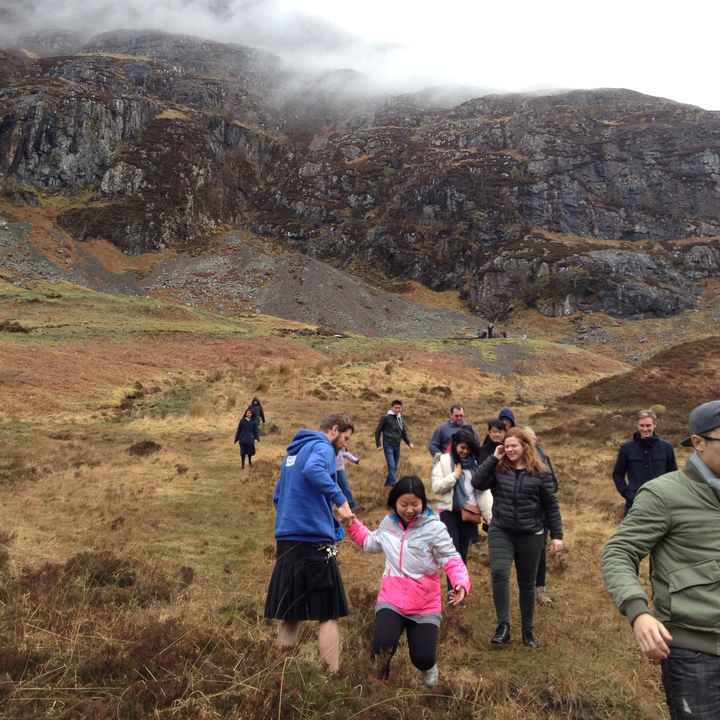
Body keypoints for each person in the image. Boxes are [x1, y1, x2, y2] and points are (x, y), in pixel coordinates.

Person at [602, 400, 720, 720]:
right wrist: (638, 612)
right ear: (699, 442)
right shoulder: (664, 496)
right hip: (696, 655)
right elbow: (618, 552)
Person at [341, 475, 470, 687]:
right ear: (394, 503)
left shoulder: (435, 528)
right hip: (391, 599)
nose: (409, 510)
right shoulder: (388, 523)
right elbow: (370, 542)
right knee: (382, 649)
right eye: (403, 504)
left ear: (423, 503)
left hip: (425, 605)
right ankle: (381, 688)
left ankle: (429, 667)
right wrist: (352, 525)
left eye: (415, 504)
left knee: (422, 658)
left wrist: (460, 583)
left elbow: (451, 559)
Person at [264, 412, 355, 673]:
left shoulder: (292, 454)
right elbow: (314, 470)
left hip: (287, 540)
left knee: (292, 612)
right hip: (314, 543)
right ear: (334, 430)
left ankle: (281, 673)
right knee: (328, 612)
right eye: (345, 438)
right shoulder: (322, 446)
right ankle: (332, 675)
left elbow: (278, 497)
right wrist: (341, 502)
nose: (345, 445)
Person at [472, 427, 563, 648]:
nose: (510, 449)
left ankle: (527, 630)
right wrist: (493, 459)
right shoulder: (498, 468)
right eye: (507, 445)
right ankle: (503, 626)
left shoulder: (541, 471)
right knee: (500, 573)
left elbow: (551, 505)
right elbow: (477, 482)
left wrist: (556, 536)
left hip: (531, 533)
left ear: (525, 446)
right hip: (501, 529)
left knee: (527, 583)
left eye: (515, 445)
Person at [431, 429, 492, 600]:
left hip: (469, 512)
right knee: (453, 552)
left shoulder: (475, 465)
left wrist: (490, 518)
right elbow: (437, 487)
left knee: (463, 552)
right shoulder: (443, 461)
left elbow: (483, 492)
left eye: (469, 448)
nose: (466, 451)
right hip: (449, 512)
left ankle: (460, 590)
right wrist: (455, 476)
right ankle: (452, 591)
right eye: (463, 448)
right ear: (455, 444)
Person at [612, 409, 677, 515]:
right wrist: (627, 493)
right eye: (641, 426)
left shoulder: (667, 447)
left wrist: (667, 496)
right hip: (634, 505)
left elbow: (673, 475)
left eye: (648, 425)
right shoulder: (627, 448)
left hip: (660, 505)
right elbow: (618, 473)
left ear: (655, 424)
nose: (645, 429)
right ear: (637, 425)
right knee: (632, 532)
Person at [523, 426, 559, 606]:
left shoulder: (545, 459)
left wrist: (542, 490)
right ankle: (527, 588)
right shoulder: (514, 460)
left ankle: (540, 589)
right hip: (523, 515)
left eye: (532, 439)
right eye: (526, 440)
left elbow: (554, 484)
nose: (530, 443)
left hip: (542, 514)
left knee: (540, 551)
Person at [375, 400, 414, 487]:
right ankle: (394, 485)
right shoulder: (386, 417)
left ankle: (387, 485)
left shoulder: (401, 419)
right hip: (388, 445)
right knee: (391, 466)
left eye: (399, 408)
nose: (398, 409)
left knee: (394, 468)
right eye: (396, 407)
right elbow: (378, 431)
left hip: (397, 446)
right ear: (391, 408)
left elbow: (404, 433)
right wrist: (378, 444)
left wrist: (409, 443)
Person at [336, 447, 364, 512]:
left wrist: (355, 460)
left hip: (339, 467)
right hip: (327, 468)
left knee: (345, 486)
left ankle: (352, 505)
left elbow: (344, 452)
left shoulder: (339, 439)